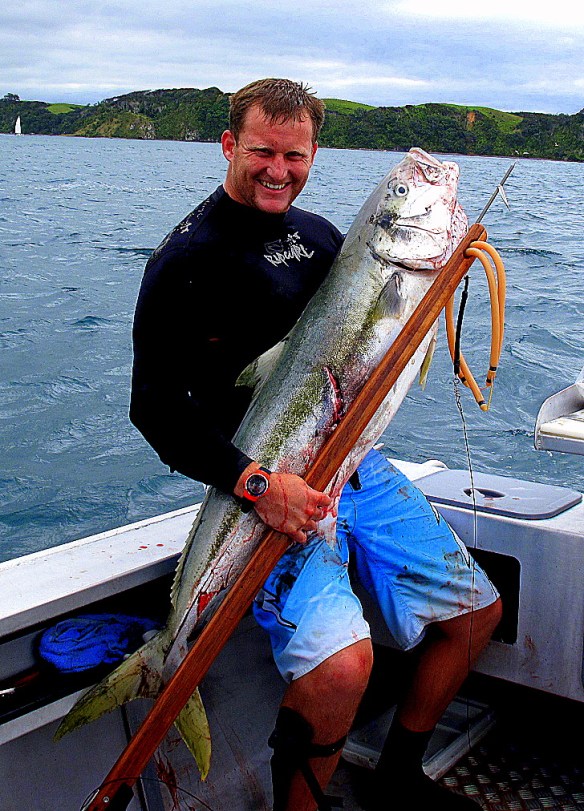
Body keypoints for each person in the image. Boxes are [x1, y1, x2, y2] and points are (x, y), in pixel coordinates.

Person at [130, 78, 502, 811]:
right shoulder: (186, 260)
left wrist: (447, 261)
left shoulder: (325, 237)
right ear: (229, 144)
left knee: (476, 617)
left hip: (355, 466)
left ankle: (398, 777)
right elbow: (155, 412)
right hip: (264, 490)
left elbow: (371, 335)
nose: (278, 170)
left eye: (294, 156)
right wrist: (259, 486)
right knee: (341, 669)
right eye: (262, 152)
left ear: (313, 154)